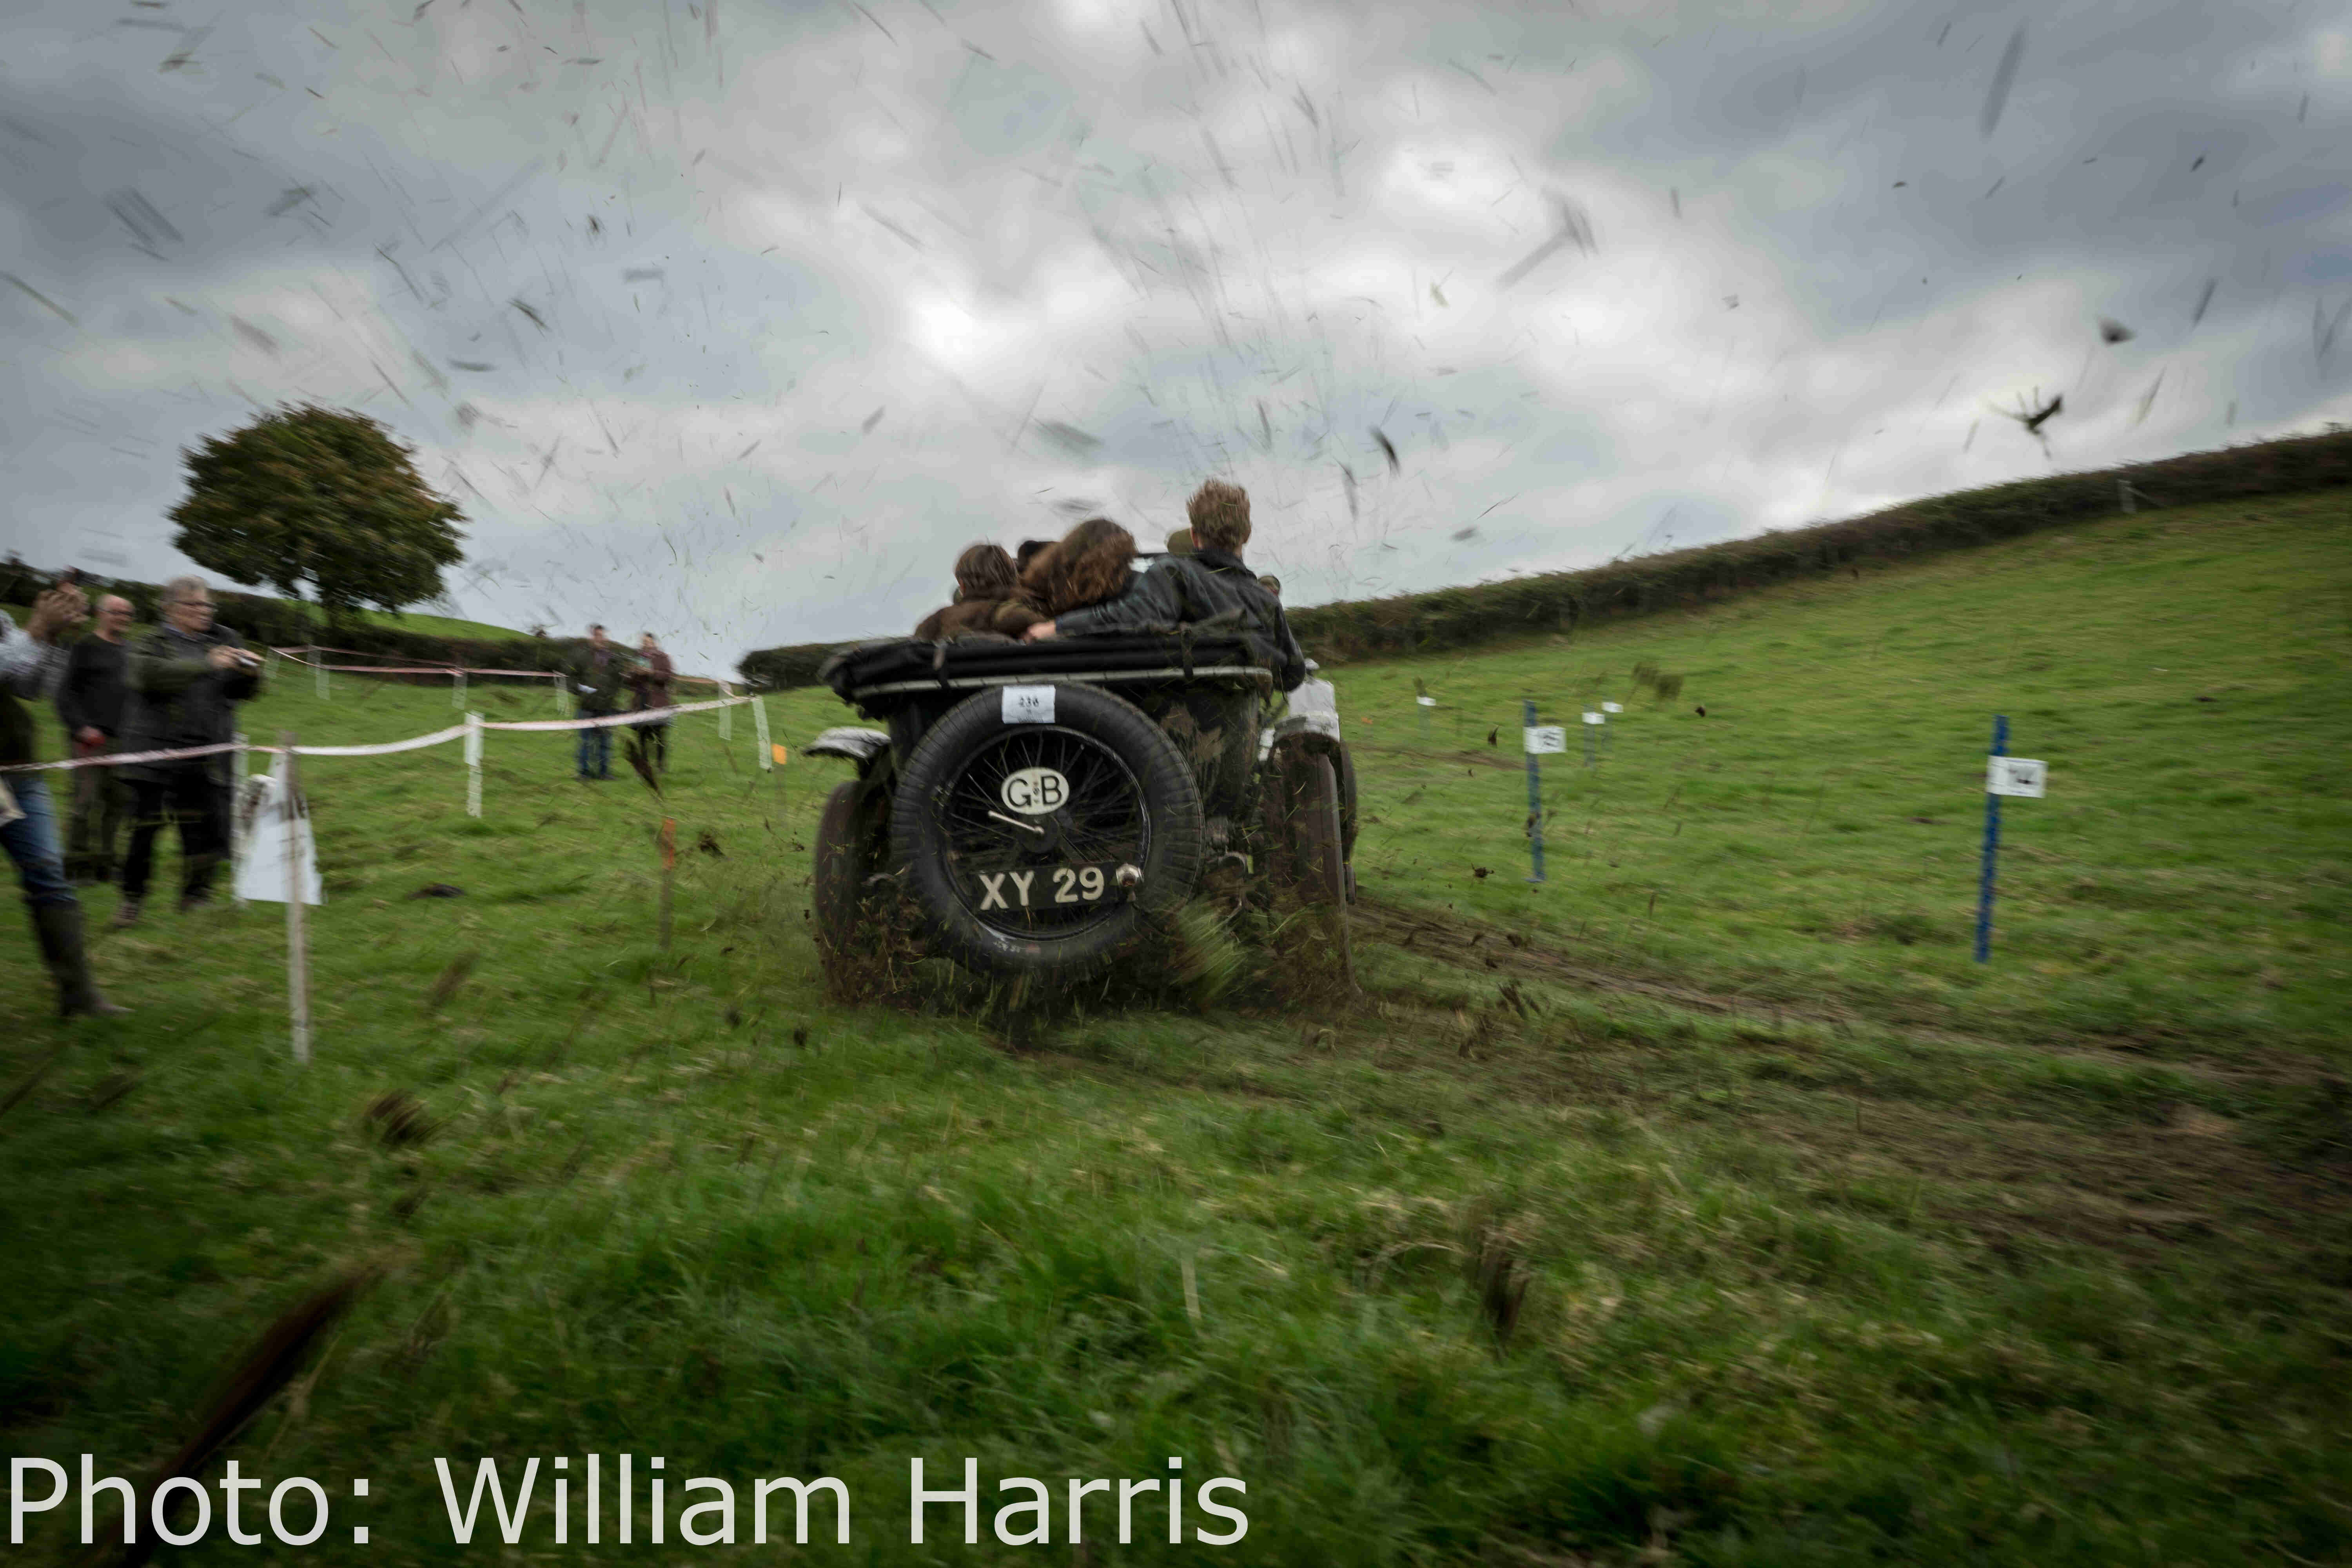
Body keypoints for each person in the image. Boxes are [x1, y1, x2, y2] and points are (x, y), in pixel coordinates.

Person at [1025, 480, 1306, 691]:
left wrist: (1057, 627)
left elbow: (1136, 617)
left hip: (1172, 733)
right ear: (1247, 535)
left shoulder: (1175, 573)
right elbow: (1293, 675)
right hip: (1236, 738)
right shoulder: (1266, 600)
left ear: (1195, 536)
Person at [4, 581, 127, 1017]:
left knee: (50, 876)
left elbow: (28, 686)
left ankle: (78, 997)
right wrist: (36, 630)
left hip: (17, 768)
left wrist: (53, 639)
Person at [115, 576, 264, 926]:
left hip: (206, 754)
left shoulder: (226, 639)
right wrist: (207, 665)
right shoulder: (150, 642)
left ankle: (195, 898)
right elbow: (147, 677)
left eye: (208, 605)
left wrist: (252, 674)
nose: (204, 611)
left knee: (202, 831)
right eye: (194, 605)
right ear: (170, 608)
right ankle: (131, 901)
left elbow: (243, 693)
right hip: (153, 755)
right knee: (144, 831)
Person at [57, 593, 135, 884]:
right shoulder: (85, 647)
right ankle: (77, 868)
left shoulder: (130, 650)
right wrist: (81, 728)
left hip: (123, 742)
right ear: (100, 613)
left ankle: (106, 865)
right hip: (89, 741)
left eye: (128, 613)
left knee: (117, 805)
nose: (123, 617)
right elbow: (64, 694)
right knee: (84, 803)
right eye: (116, 612)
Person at [913, 543, 1041, 641]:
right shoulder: (1016, 615)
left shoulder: (935, 623)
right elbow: (1054, 635)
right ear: (1014, 580)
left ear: (962, 585)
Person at [566, 623, 633, 781]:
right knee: (586, 743)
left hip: (607, 707)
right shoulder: (582, 656)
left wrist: (613, 696)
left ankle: (605, 773)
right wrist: (580, 691)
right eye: (597, 636)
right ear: (591, 638)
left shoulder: (613, 658)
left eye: (603, 636)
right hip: (586, 707)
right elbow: (571, 678)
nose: (600, 639)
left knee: (605, 743)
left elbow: (620, 680)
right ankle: (584, 773)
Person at [627, 631, 675, 773]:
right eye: (643, 642)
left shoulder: (663, 658)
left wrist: (651, 673)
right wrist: (633, 673)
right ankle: (645, 767)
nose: (645, 645)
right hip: (640, 702)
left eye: (648, 642)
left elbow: (669, 676)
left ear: (654, 643)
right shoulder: (636, 657)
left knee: (659, 737)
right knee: (641, 737)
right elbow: (629, 682)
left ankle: (661, 767)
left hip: (658, 703)